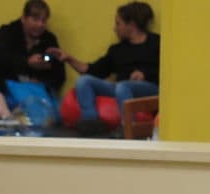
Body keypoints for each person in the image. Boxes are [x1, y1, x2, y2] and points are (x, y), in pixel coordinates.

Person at [50, 2, 160, 136]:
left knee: (123, 86)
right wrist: (68, 58)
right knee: (85, 81)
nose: (115, 28)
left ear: (131, 25)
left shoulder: (156, 43)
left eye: (118, 23)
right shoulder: (117, 50)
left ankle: (128, 128)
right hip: (121, 88)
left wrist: (145, 74)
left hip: (151, 89)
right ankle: (91, 123)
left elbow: (169, 71)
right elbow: (93, 70)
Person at [0, 0, 65, 124]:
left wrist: (43, 76)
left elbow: (60, 75)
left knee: (46, 109)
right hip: (4, 88)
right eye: (35, 19)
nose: (40, 24)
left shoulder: (49, 40)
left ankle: (20, 120)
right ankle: (6, 120)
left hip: (34, 93)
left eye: (43, 21)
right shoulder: (6, 33)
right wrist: (27, 62)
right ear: (24, 18)